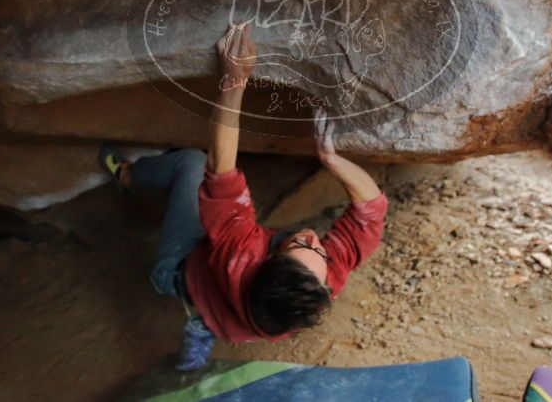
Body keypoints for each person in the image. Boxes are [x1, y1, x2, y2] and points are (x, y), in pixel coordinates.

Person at [99, 22, 388, 370]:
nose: (313, 238)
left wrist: (235, 81)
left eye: (301, 246)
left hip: (180, 272)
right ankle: (199, 342)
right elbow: (371, 207)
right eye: (319, 252)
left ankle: (129, 177)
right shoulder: (317, 287)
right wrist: (331, 157)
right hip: (240, 319)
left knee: (189, 161)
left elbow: (220, 170)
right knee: (214, 319)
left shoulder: (241, 252)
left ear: (265, 262)